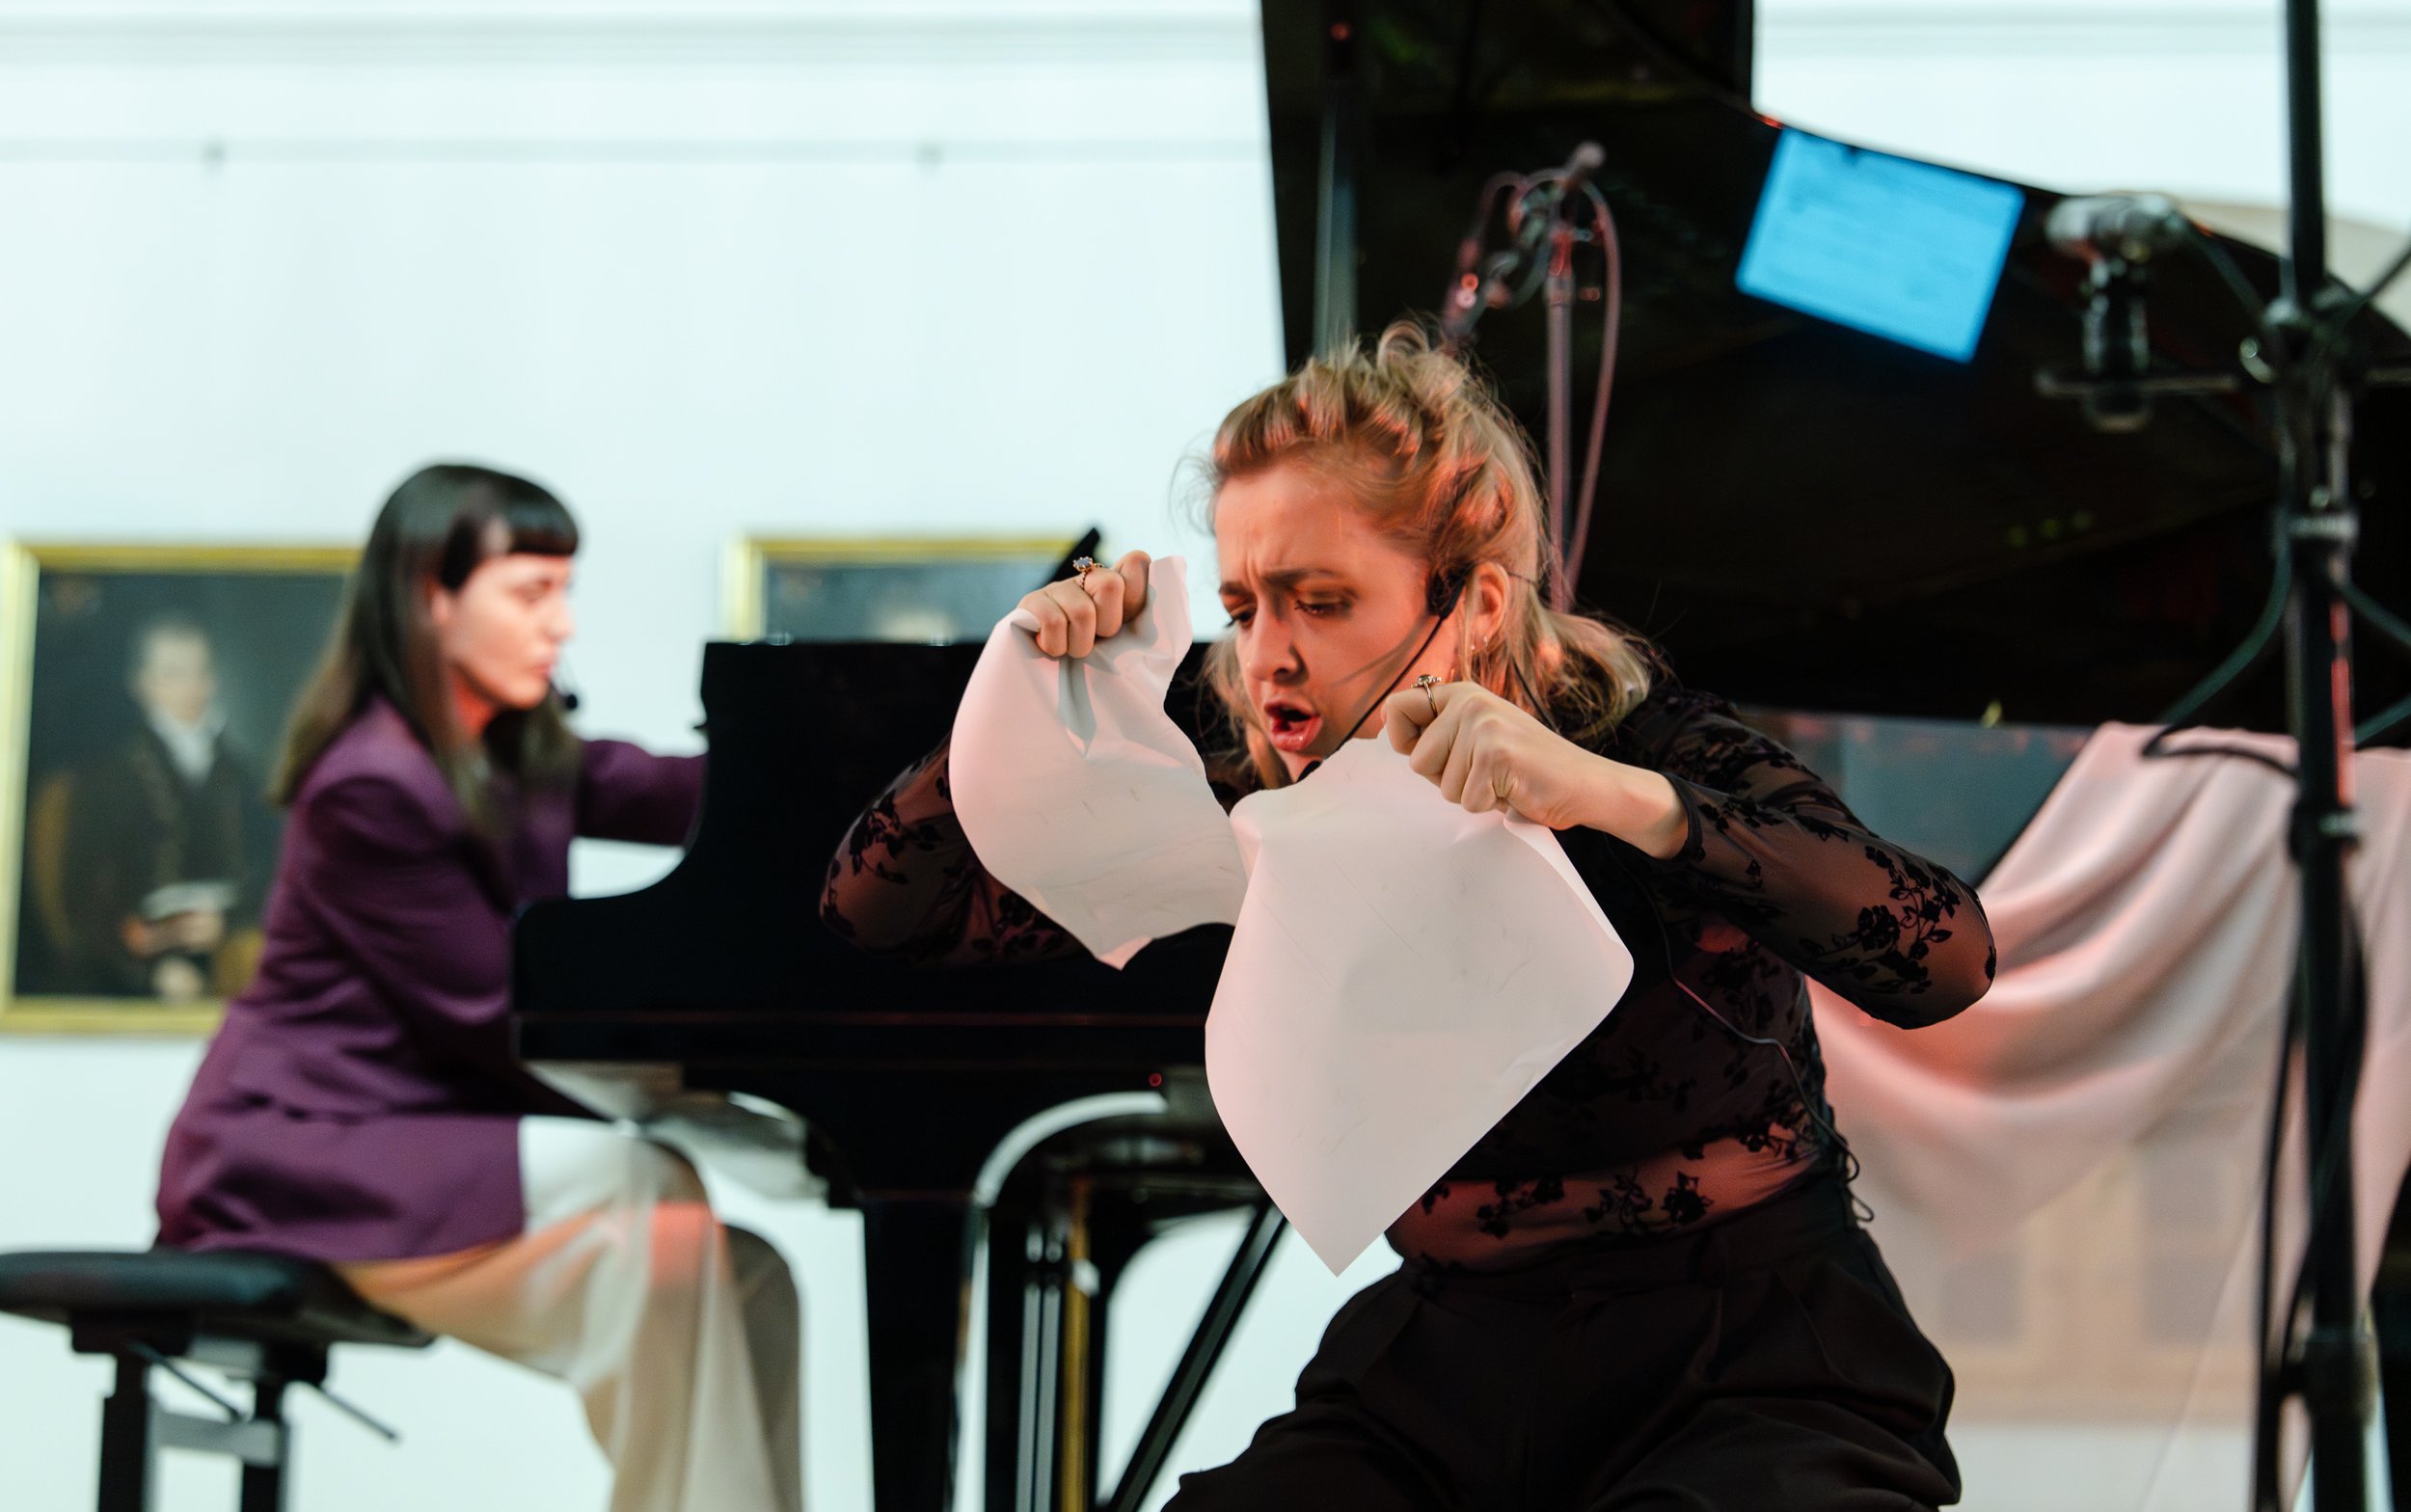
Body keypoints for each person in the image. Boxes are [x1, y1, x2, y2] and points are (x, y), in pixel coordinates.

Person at [825, 325, 1994, 1511]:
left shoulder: (1646, 744)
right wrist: (1025, 692)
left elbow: (1944, 956)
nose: (1268, 658)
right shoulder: (1254, 797)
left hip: (1745, 1362)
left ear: (1475, 601)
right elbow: (884, 913)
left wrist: (1613, 798)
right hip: (1447, 1369)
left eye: (1320, 602)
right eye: (1242, 607)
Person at [156, 464, 799, 1512]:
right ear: (430, 597)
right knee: (650, 1191)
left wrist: (856, 760)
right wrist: (723, 1074)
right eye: (532, 592)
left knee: (750, 1273)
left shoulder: (518, 754)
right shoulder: (370, 784)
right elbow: (491, 1013)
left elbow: (691, 795)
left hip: (415, 1134)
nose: (562, 623)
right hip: (301, 1147)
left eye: (565, 591)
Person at [55, 615, 273, 1000]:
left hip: (234, 953)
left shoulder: (242, 775)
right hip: (137, 967)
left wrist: (228, 923)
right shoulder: (109, 778)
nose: (191, 687)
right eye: (173, 674)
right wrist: (152, 971)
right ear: (142, 684)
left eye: (200, 672)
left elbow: (273, 874)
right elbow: (84, 902)